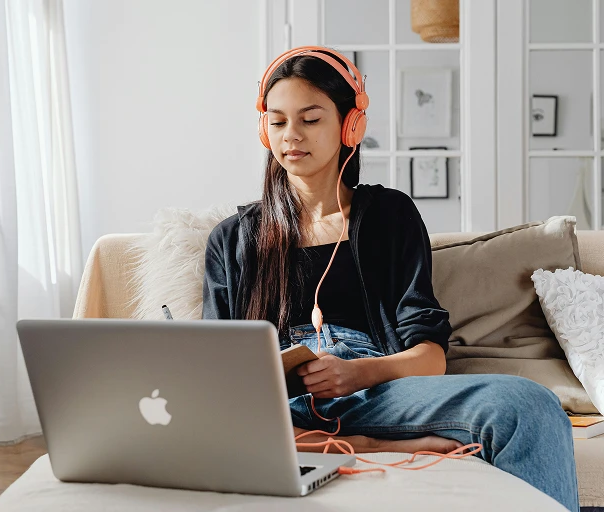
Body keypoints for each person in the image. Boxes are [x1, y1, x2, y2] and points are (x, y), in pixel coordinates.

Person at [201, 46, 579, 511]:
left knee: (528, 406)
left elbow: (430, 357)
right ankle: (356, 445)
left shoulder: (388, 215)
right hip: (276, 408)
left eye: (310, 119)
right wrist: (363, 443)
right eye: (277, 122)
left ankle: (347, 436)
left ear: (349, 126)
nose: (291, 136)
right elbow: (215, 377)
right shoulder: (233, 239)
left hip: (378, 390)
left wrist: (357, 372)